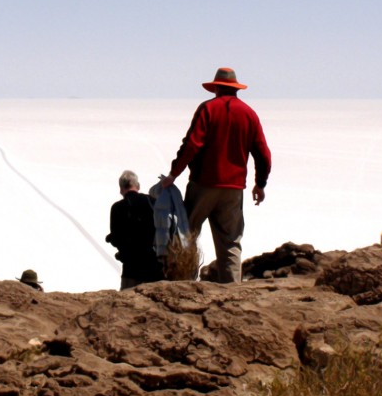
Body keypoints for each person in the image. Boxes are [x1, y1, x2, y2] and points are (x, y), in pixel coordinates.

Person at [160, 67, 271, 283]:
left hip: (203, 184)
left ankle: (183, 284)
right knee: (230, 243)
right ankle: (232, 291)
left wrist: (174, 173)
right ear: (235, 89)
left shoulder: (208, 109)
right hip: (234, 189)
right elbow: (263, 154)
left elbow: (192, 144)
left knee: (186, 235)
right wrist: (260, 184)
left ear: (217, 88)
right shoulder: (249, 114)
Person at [105, 170, 164, 290]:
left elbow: (116, 238)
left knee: (127, 305)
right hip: (155, 265)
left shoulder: (117, 208)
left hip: (131, 268)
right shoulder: (153, 202)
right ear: (138, 186)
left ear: (121, 188)